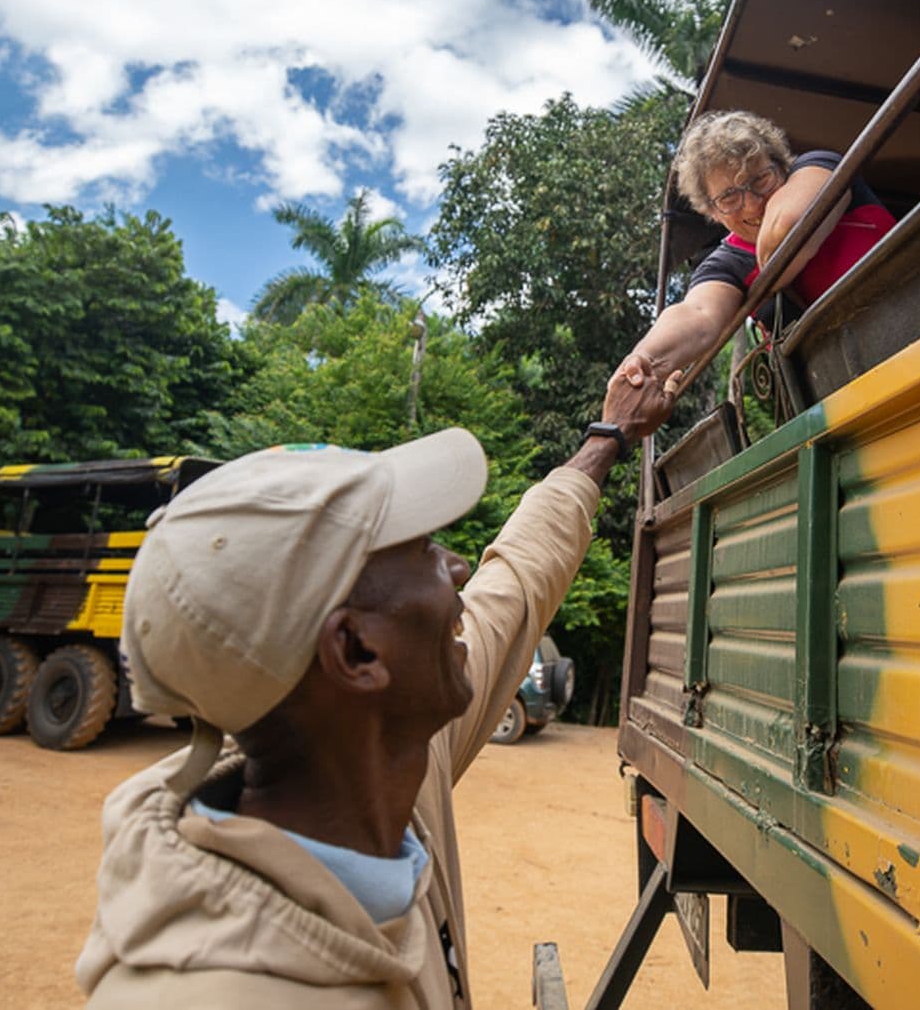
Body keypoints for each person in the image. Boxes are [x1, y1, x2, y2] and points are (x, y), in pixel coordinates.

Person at [75, 379, 671, 1007]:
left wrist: (608, 437)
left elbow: (514, 585)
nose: (458, 567)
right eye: (421, 550)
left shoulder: (386, 771)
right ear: (357, 652)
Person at [612, 110, 895, 396]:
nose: (752, 205)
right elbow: (697, 313)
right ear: (711, 211)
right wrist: (644, 360)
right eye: (729, 197)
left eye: (760, 180)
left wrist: (761, 277)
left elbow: (787, 229)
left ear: (781, 166)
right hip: (838, 395)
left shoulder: (818, 167)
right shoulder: (727, 261)